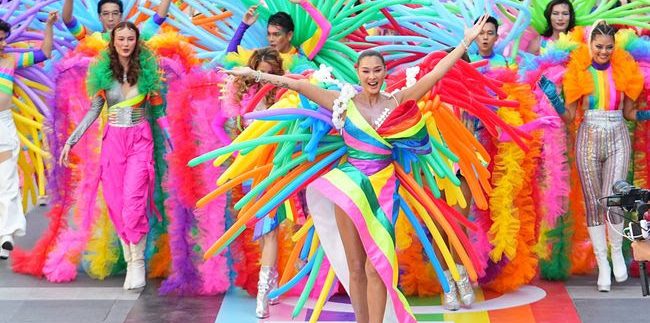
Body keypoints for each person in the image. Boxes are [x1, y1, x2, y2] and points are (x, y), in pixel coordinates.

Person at [223, 15, 490, 323]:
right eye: (366, 71)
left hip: (384, 191)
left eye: (377, 70)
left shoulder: (399, 100)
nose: (372, 76)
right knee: (355, 267)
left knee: (377, 267)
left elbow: (437, 73)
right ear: (358, 74)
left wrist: (465, 43)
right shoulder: (342, 103)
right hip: (348, 189)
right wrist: (253, 75)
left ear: (385, 73)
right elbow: (295, 84)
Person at [58, 21, 168, 290]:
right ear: (114, 41)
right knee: (117, 204)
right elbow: (93, 111)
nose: (126, 43)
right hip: (114, 142)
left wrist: (173, 142)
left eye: (131, 38)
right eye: (122, 39)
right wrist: (71, 141)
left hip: (140, 141)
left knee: (133, 202)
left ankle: (138, 262)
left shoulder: (148, 73)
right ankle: (130, 259)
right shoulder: (103, 74)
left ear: (137, 41)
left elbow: (159, 114)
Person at [540, 21, 643, 292]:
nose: (604, 51)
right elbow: (570, 117)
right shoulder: (578, 73)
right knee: (594, 202)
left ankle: (617, 254)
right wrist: (555, 99)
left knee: (615, 197)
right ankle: (603, 266)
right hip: (588, 136)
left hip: (618, 134)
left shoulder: (624, 71)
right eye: (599, 46)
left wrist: (646, 114)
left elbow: (631, 113)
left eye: (609, 47)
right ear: (590, 46)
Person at [223, 47, 286, 319]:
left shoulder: (283, 95)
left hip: (276, 167)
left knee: (270, 227)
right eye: (259, 73)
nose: (263, 78)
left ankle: (263, 292)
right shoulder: (241, 96)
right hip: (250, 168)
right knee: (260, 229)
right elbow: (227, 126)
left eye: (269, 74)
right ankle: (270, 281)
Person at [0, 12, 57, 260]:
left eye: (3, 38)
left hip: (3, 126)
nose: (2, 43)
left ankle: (6, 236)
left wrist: (49, 27)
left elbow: (44, 53)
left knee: (7, 181)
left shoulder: (10, 60)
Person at [62, 0, 172, 40]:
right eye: (106, 14)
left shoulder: (134, 36)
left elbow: (159, 17)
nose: (110, 18)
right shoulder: (93, 38)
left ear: (120, 16)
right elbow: (68, 21)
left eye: (115, 14)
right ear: (100, 17)